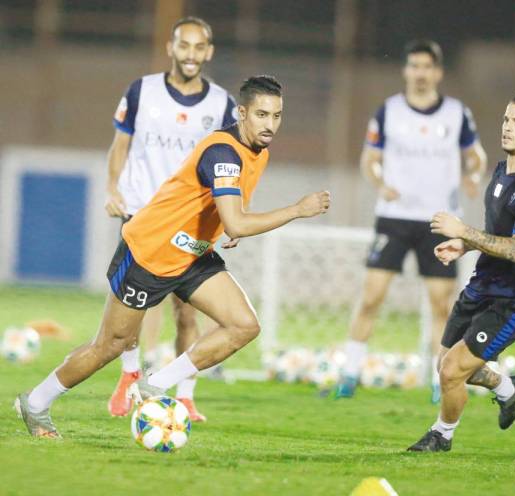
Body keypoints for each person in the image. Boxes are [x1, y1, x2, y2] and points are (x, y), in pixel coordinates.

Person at [16, 75, 331, 438]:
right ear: (242, 113)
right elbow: (237, 223)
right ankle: (36, 403)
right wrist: (296, 209)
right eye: (261, 115)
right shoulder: (222, 153)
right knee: (108, 346)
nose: (270, 125)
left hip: (193, 254)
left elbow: (230, 214)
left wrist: (231, 224)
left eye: (277, 116)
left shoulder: (257, 152)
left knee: (243, 325)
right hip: (149, 253)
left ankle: (154, 384)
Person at [335, 40, 487, 402]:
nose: (420, 73)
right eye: (414, 66)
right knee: (372, 297)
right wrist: (379, 183)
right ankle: (350, 372)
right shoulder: (389, 111)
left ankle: (441, 380)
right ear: (406, 70)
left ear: (437, 72)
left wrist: (473, 174)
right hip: (394, 218)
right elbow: (369, 159)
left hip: (439, 223)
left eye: (426, 67)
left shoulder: (456, 113)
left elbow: (476, 155)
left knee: (440, 305)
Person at [105, 16, 238, 421]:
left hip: (191, 220)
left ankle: (184, 394)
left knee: (187, 311)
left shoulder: (222, 105)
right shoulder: (141, 91)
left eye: (200, 47)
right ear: (171, 48)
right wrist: (113, 187)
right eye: (185, 46)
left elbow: (233, 165)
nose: (191, 55)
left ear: (209, 52)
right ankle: (131, 376)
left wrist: (232, 216)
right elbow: (120, 145)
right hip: (142, 211)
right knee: (133, 306)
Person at [408, 92, 515, 452]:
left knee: (451, 370)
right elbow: (499, 237)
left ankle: (442, 435)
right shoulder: (502, 171)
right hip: (484, 285)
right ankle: (508, 388)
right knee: (447, 364)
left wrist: (462, 231)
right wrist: (466, 245)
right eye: (506, 119)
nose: (507, 128)